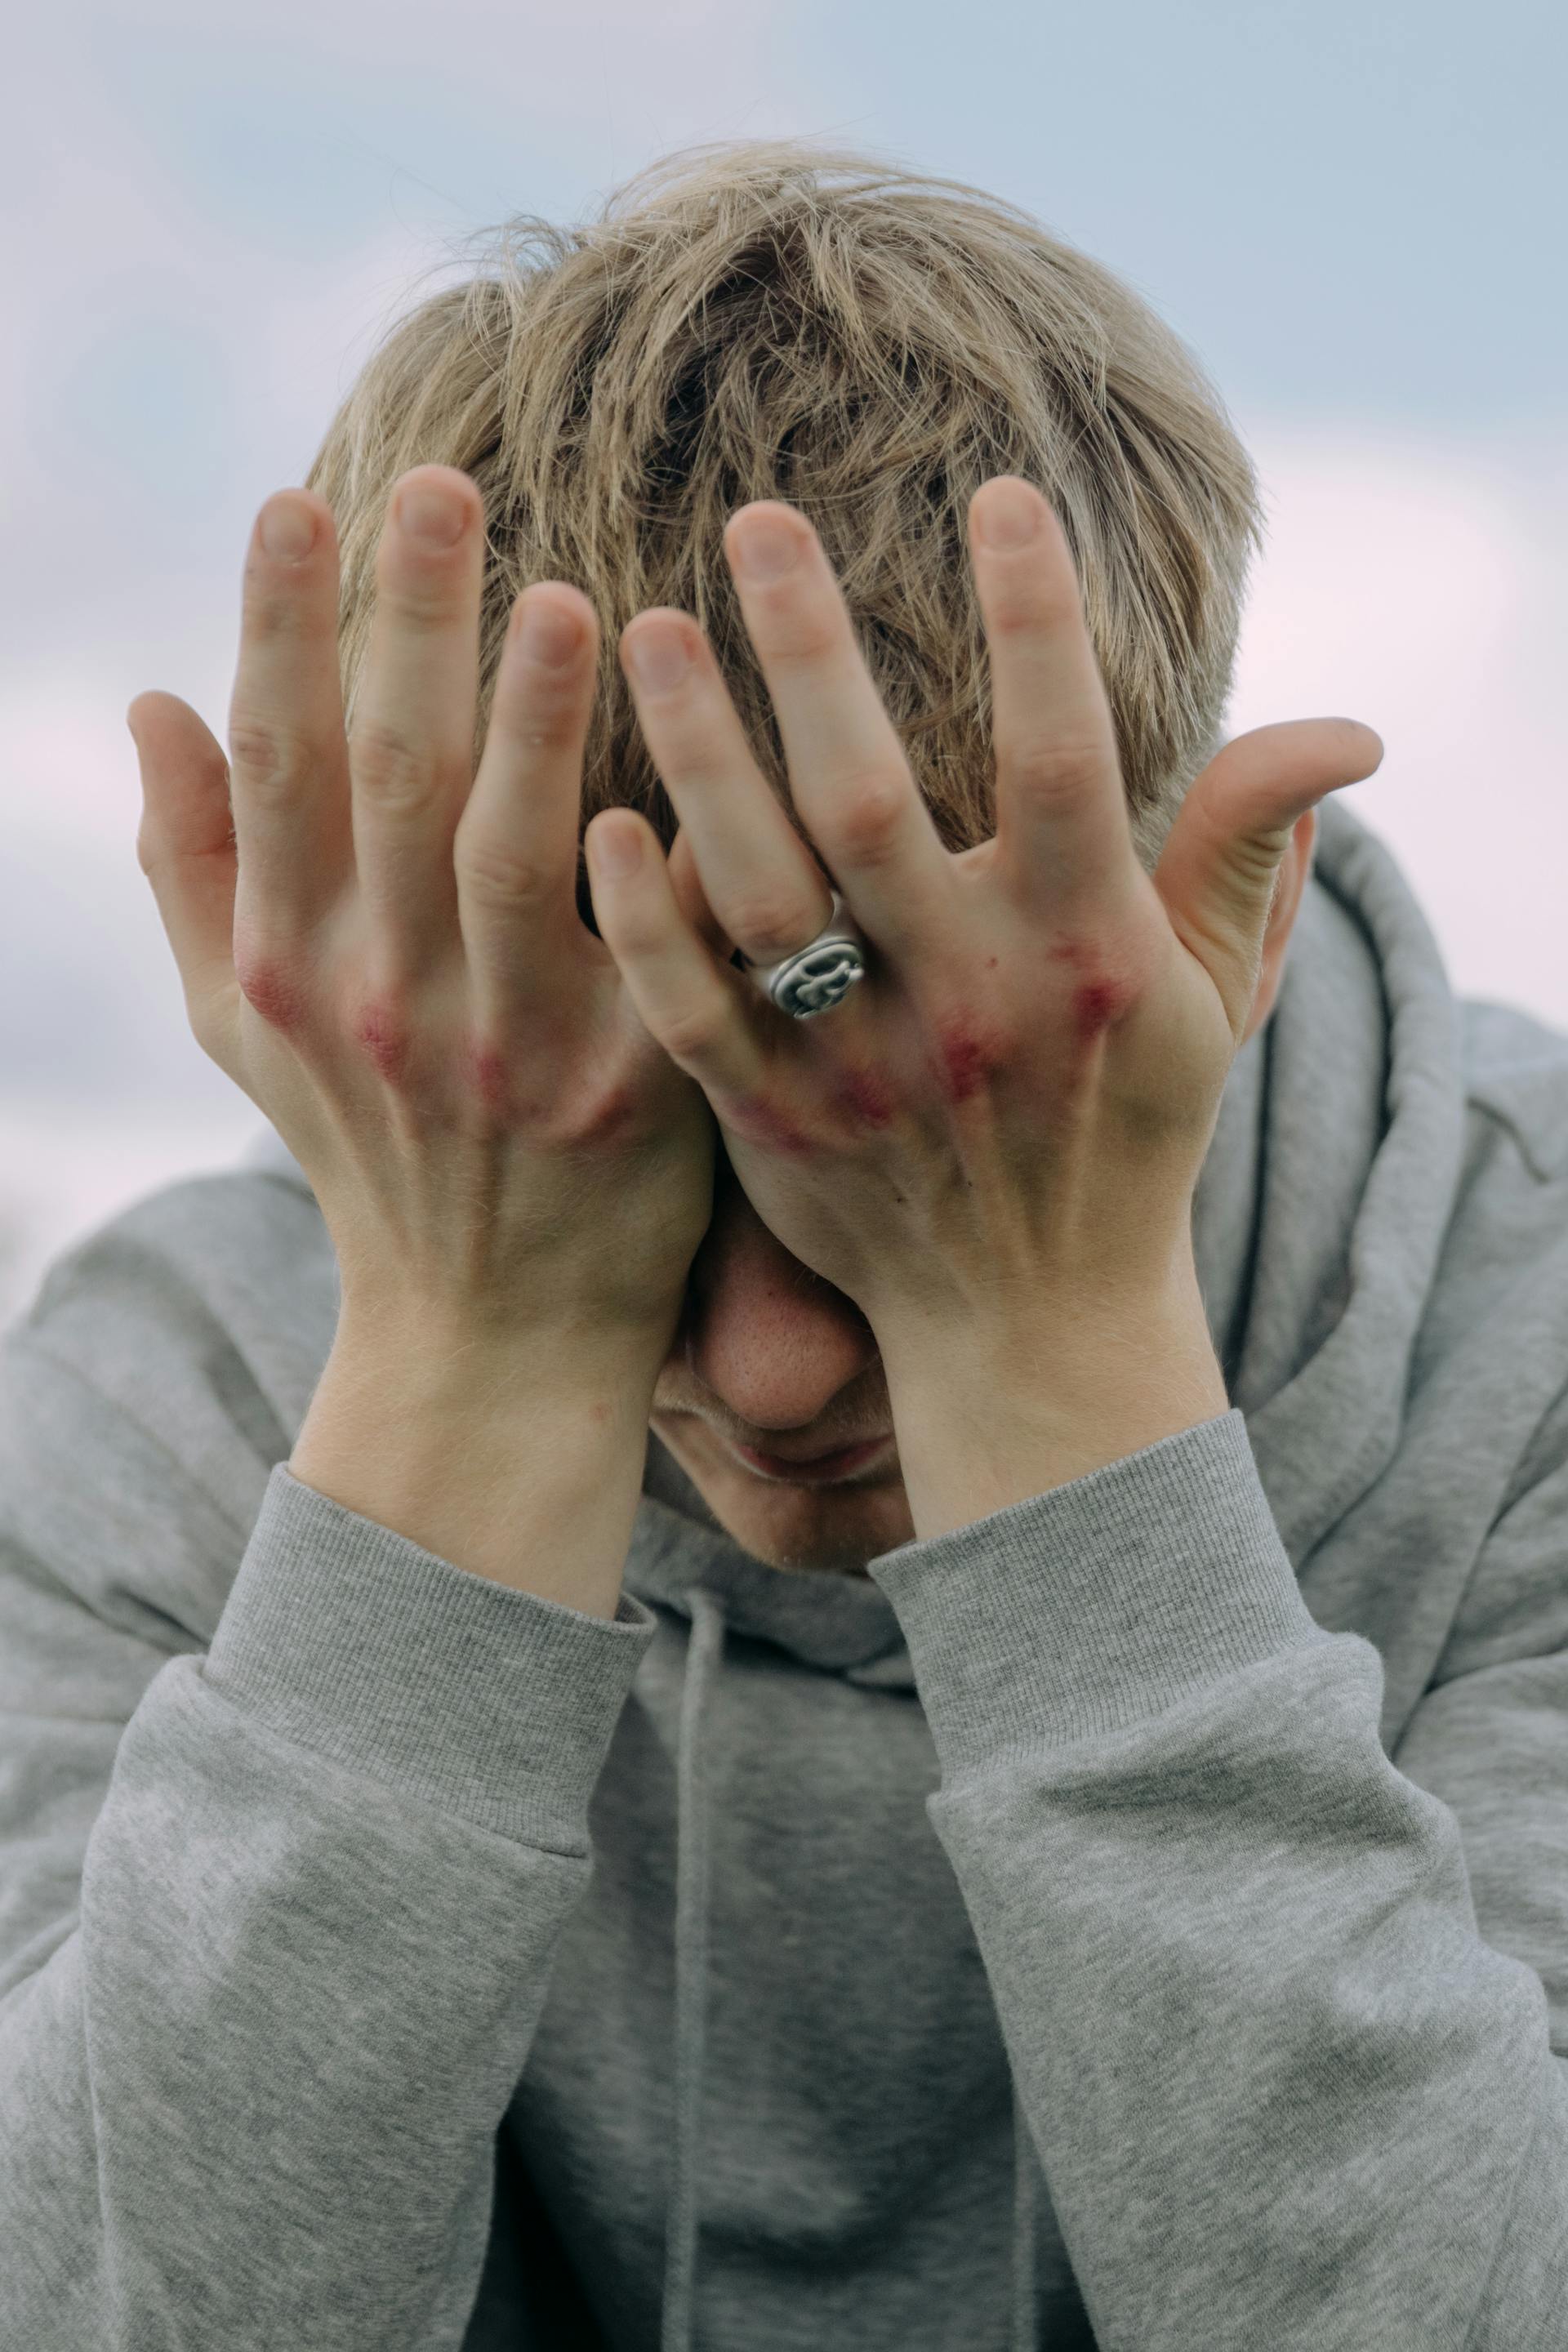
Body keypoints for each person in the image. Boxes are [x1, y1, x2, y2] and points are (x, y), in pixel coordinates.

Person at [1, 136, 1562, 2352]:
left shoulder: (1532, 1331)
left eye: (905, 1137)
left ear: (1238, 917)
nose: (773, 1376)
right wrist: (474, 1368)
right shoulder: (169, 1404)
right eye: (608, 1178)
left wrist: (1058, 1363)